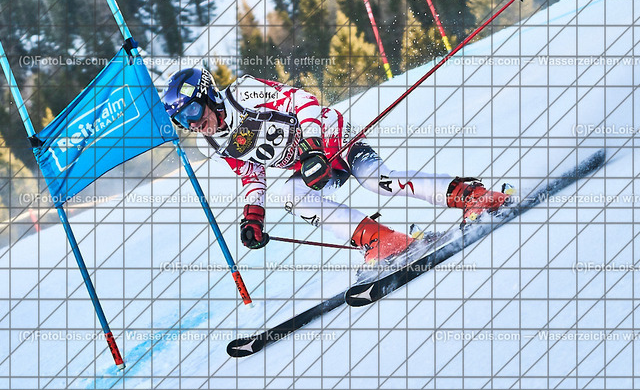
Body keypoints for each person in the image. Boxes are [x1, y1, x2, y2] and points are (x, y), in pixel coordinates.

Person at [162, 68, 510, 264]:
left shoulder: (242, 93)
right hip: (309, 166)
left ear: (208, 95)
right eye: (181, 120)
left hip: (332, 138)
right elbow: (251, 175)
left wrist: (314, 146)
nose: (193, 124)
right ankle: (381, 240)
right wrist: (253, 217)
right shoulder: (213, 144)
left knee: (376, 180)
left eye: (192, 111)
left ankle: (472, 195)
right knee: (290, 194)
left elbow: (303, 100)